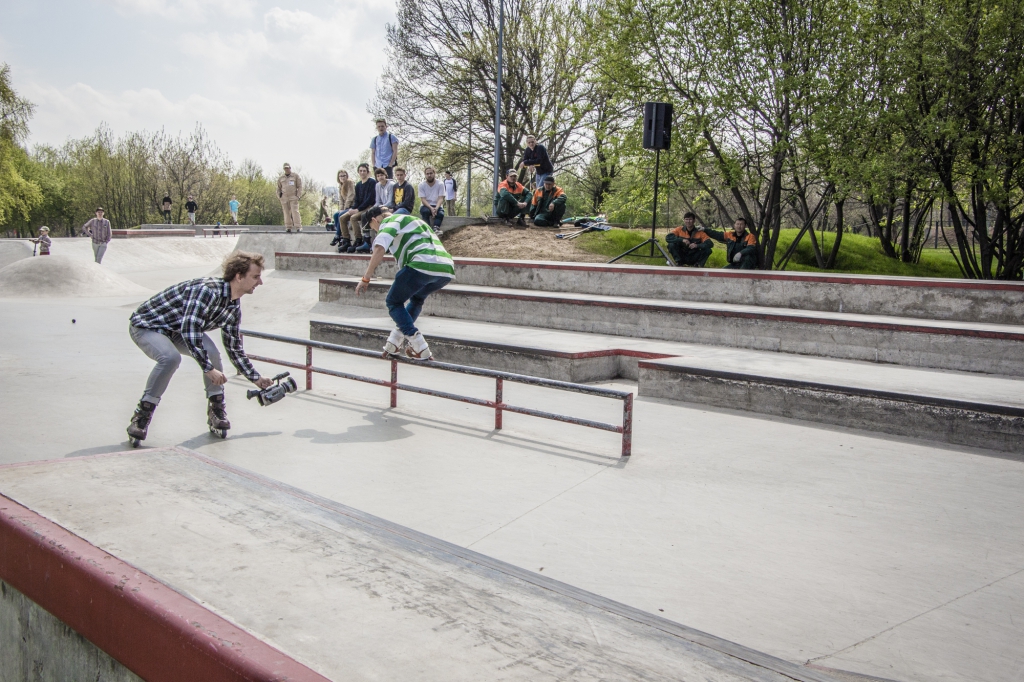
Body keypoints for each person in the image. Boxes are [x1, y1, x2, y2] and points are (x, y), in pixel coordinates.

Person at [125, 251, 275, 445]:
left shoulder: (233, 306)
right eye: (255, 277)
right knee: (170, 358)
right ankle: (141, 416)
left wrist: (256, 378)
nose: (260, 282)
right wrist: (207, 369)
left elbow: (234, 348)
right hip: (148, 326)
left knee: (212, 354)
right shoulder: (207, 291)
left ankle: (216, 411)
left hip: (177, 329)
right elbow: (190, 329)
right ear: (239, 276)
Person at [355, 208, 455, 361]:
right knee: (416, 299)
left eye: (371, 227)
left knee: (393, 302)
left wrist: (366, 278)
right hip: (445, 269)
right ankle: (394, 343)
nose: (374, 231)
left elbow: (380, 247)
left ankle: (420, 346)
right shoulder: (416, 221)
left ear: (375, 220)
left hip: (420, 264)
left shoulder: (389, 222)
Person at [340, 163, 376, 253]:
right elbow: (357, 200)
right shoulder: (359, 185)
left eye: (364, 171)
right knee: (342, 218)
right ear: (358, 172)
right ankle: (346, 240)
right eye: (360, 171)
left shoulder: (372, 182)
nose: (362, 172)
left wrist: (357, 210)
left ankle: (359, 240)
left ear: (367, 172)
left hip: (369, 207)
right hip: (359, 208)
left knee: (353, 218)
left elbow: (370, 199)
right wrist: (353, 208)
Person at [331, 169, 356, 250]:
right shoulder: (340, 185)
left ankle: (337, 235)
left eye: (344, 175)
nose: (342, 177)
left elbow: (351, 196)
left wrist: (345, 208)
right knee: (336, 215)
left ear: (347, 176)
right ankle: (340, 234)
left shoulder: (350, 183)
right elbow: (341, 199)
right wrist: (341, 208)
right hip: (345, 207)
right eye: (340, 176)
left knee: (341, 215)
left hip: (352, 206)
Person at [277, 163, 303, 233]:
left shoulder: (295, 176)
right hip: (284, 197)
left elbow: (300, 186)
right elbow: (278, 188)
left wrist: (298, 195)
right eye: (285, 168)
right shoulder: (281, 178)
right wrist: (279, 196)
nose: (287, 169)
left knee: (295, 212)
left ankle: (298, 227)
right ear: (283, 169)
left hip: (293, 196)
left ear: (290, 168)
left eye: (288, 168)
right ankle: (288, 227)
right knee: (286, 212)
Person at [418, 166, 445, 233]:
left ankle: (436, 228)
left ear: (434, 173)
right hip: (426, 205)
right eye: (427, 174)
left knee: (440, 213)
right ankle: (427, 229)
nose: (429, 175)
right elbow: (423, 199)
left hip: (437, 205)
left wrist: (436, 208)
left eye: (431, 173)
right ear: (425, 175)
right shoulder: (421, 185)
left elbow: (441, 198)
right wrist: (431, 208)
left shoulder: (440, 184)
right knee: (425, 211)